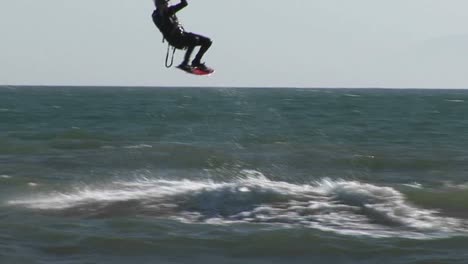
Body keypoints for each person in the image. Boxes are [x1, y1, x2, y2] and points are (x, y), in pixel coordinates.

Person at [152, 0, 212, 72]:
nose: (167, 5)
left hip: (183, 35)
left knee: (207, 41)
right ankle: (185, 63)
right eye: (165, 4)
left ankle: (196, 61)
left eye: (167, 3)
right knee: (194, 39)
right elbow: (164, 27)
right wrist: (163, 14)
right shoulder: (156, 16)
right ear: (159, 5)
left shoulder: (169, 10)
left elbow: (184, 3)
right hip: (174, 39)